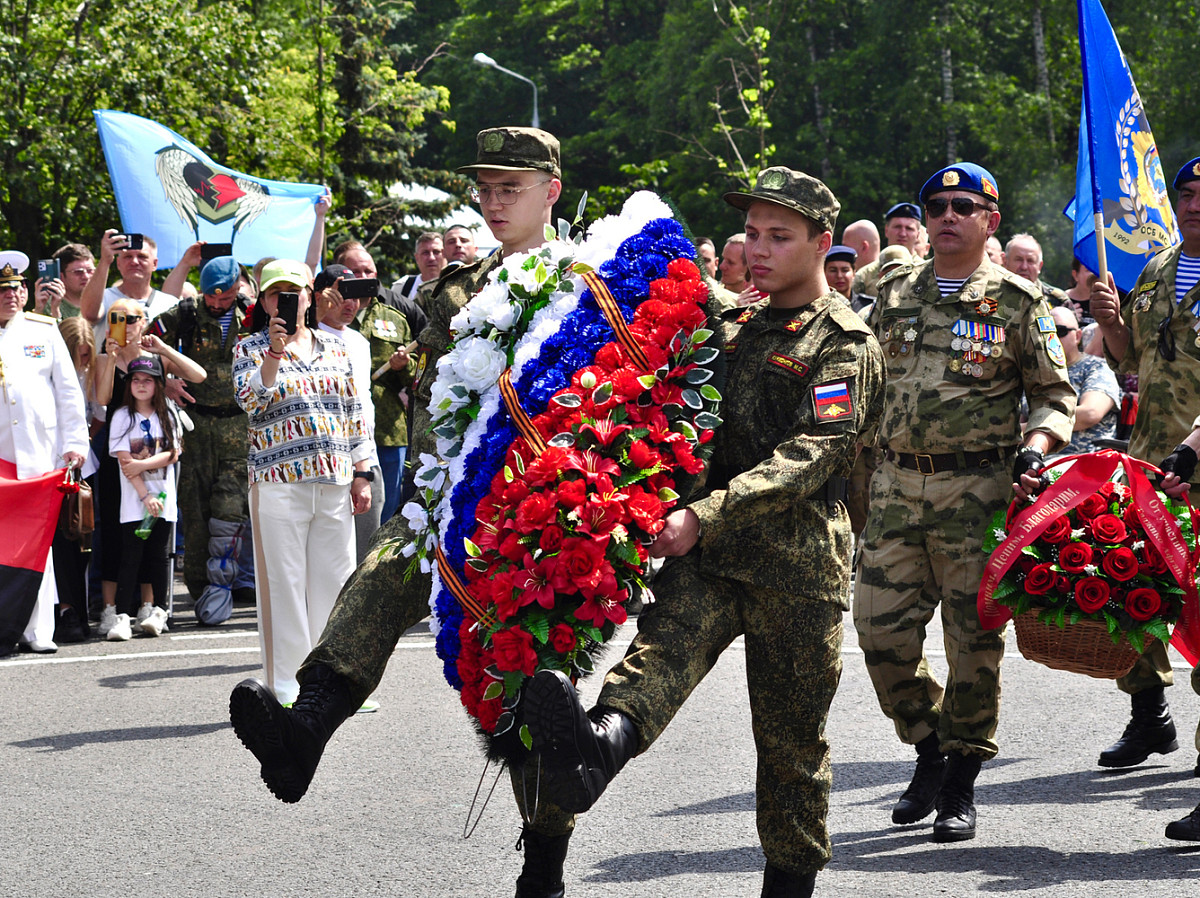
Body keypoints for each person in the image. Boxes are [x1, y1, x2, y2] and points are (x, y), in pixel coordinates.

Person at [228, 127, 583, 898]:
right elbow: (429, 382)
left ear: (551, 191)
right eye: (484, 190)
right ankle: (307, 728)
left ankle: (544, 863)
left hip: (551, 516)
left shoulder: (591, 277)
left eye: (509, 190)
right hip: (458, 496)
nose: (492, 204)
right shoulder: (456, 287)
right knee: (383, 568)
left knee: (530, 686)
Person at [521, 166, 884, 898]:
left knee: (789, 752)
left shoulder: (844, 342)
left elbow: (814, 454)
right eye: (751, 233)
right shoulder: (733, 323)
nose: (758, 248)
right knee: (646, 672)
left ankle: (788, 889)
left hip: (796, 570)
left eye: (779, 236)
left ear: (822, 243)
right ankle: (590, 761)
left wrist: (702, 515)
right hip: (709, 560)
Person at [854, 163, 1075, 843]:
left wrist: (1038, 446)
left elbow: (1055, 395)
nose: (947, 215)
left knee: (973, 640)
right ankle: (928, 743)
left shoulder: (1017, 300)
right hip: (894, 484)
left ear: (990, 220)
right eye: (937, 205)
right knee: (879, 631)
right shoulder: (891, 293)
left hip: (978, 492)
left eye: (963, 206)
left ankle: (960, 780)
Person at [1092, 156, 1200, 805]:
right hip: (1151, 461)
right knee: (1131, 591)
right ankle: (1149, 717)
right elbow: (1129, 353)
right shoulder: (1158, 268)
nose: (1193, 205)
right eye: (1186, 194)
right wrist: (1109, 318)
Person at [232, 259, 372, 706]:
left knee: (336, 582)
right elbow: (252, 401)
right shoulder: (248, 347)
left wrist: (362, 471)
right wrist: (273, 353)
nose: (284, 301)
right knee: (285, 585)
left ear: (312, 295)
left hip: (334, 477)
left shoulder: (335, 348)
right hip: (277, 482)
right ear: (263, 300)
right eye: (275, 294)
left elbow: (353, 412)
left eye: (294, 292)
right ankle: (286, 685)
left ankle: (335, 684)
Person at [151, 251, 257, 624]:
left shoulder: (253, 312)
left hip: (239, 426)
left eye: (224, 297)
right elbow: (144, 340)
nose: (216, 304)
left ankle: (221, 587)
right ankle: (198, 588)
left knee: (230, 511)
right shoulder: (186, 312)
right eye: (212, 297)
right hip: (196, 425)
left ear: (237, 287)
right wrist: (164, 380)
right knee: (194, 511)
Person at [94, 298, 205, 635]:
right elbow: (101, 398)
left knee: (153, 532)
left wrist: (165, 348)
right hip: (121, 446)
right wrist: (112, 356)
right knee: (117, 530)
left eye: (131, 318)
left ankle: (148, 604)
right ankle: (112, 609)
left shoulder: (155, 355)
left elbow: (197, 375)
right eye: (117, 317)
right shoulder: (106, 354)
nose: (125, 324)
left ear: (144, 321)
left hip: (156, 447)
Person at [0, 251, 89, 656]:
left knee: (37, 543)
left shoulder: (43, 329)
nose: (11, 296)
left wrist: (75, 444)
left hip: (38, 454)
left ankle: (38, 628)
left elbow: (68, 391)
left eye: (16, 288)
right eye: (2, 291)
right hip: (1, 456)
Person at [316, 263, 415, 529]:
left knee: (370, 533)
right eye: (342, 294)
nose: (351, 303)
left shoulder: (360, 342)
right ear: (321, 296)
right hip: (325, 460)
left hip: (366, 456)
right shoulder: (306, 337)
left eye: (356, 295)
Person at [105, 355, 180, 640]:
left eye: (148, 380)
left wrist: (144, 465)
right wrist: (144, 494)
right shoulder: (123, 416)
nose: (141, 385)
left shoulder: (167, 413)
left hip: (163, 499)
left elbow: (174, 452)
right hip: (135, 500)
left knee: (158, 556)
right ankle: (123, 616)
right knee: (131, 555)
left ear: (158, 384)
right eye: (135, 380)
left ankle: (158, 612)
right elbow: (125, 461)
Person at [51, 317, 101, 643]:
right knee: (59, 544)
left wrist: (82, 443)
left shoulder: (90, 373)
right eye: (76, 354)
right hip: (50, 466)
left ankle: (79, 613)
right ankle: (65, 610)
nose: (82, 361)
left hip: (83, 467)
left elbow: (97, 414)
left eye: (86, 355)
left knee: (80, 540)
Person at [80, 231, 179, 345]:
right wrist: (105, 260)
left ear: (155, 264)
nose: (134, 262)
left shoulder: (170, 304)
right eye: (128, 257)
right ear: (118, 264)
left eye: (142, 257)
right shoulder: (103, 298)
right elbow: (89, 315)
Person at [1050, 306, 1119, 455]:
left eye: (1060, 331)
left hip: (1085, 461)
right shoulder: (1036, 371)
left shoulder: (1096, 367)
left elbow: (1090, 413)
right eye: (1047, 333)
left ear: (1078, 336)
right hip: (1037, 460)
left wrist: (1035, 426)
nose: (1053, 338)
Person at [332, 239, 427, 342]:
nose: (363, 277)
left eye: (368, 271)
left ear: (375, 274)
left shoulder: (403, 308)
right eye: (356, 272)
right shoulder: (329, 311)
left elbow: (423, 346)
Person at [851, 202, 922, 300]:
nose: (902, 233)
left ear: (918, 234)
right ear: (886, 230)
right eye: (897, 227)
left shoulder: (927, 272)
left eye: (909, 228)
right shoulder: (865, 276)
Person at [31, 243, 96, 320]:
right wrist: (55, 311)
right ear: (61, 277)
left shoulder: (102, 301)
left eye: (90, 271)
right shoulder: (48, 306)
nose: (86, 276)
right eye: (78, 272)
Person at [1004, 234, 1071, 306]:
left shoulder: (1058, 299)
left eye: (1030, 261)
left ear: (1040, 266)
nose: (1024, 267)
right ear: (1005, 262)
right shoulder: (993, 293)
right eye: (1018, 260)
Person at [393, 231, 445, 303]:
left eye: (436, 252)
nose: (431, 258)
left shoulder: (457, 285)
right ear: (417, 257)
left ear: (445, 254)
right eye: (425, 253)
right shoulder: (402, 287)